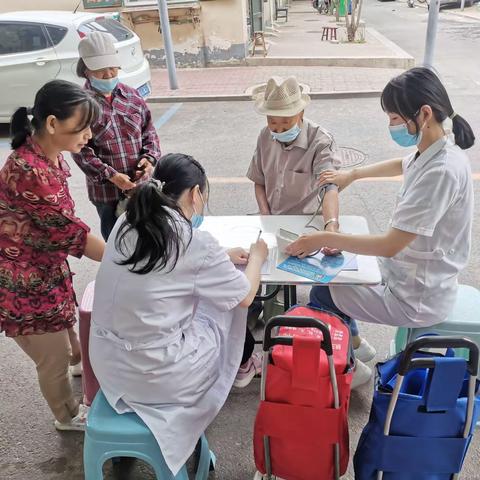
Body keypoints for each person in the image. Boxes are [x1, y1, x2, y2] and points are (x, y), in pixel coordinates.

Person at [286, 67, 475, 386]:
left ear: (424, 114)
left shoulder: (441, 171)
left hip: (417, 295)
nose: (392, 126)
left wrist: (326, 236)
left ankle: (350, 368)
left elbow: (390, 245)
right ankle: (355, 344)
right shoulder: (434, 151)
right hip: (407, 272)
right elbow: (401, 163)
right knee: (336, 272)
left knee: (325, 291)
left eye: (394, 118)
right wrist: (353, 175)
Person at [89, 153, 268, 476]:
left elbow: (167, 265)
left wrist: (221, 257)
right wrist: (257, 256)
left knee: (201, 297)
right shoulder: (194, 241)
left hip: (109, 366)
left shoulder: (126, 222)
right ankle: (239, 366)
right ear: (196, 194)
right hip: (158, 378)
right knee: (223, 309)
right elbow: (244, 296)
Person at [247, 75, 376, 369]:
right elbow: (258, 181)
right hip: (272, 220)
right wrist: (265, 212)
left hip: (309, 222)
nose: (277, 130)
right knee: (258, 270)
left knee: (330, 283)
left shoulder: (321, 140)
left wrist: (331, 228)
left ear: (301, 115)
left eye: (285, 123)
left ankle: (350, 339)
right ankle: (267, 317)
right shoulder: (264, 137)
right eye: (272, 123)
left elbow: (329, 186)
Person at [0, 80, 105, 431]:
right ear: (52, 124)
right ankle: (68, 415)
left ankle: (78, 365)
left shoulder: (50, 154)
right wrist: (129, 259)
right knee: (52, 357)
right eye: (83, 125)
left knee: (68, 330)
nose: (89, 134)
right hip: (21, 284)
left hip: (45, 270)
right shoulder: (28, 170)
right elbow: (71, 231)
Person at [72, 31, 161, 241]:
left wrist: (149, 159)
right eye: (101, 70)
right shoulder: (79, 104)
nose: (109, 74)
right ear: (86, 70)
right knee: (116, 242)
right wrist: (111, 176)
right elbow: (80, 151)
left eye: (112, 68)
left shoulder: (132, 95)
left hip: (141, 188)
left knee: (148, 239)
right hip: (106, 194)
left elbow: (149, 131)